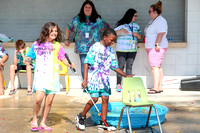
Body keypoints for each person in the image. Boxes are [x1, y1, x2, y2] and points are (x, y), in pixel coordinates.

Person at [76, 28, 134, 131]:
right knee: (94, 99)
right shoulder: (95, 47)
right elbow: (86, 62)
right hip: (94, 79)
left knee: (105, 98)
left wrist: (125, 75)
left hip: (104, 80)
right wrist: (85, 79)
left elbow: (114, 66)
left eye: (114, 40)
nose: (112, 42)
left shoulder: (111, 50)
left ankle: (103, 121)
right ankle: (81, 116)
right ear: (105, 37)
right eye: (111, 40)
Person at [26, 22, 75, 132]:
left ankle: (43, 122)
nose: (54, 33)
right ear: (46, 31)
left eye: (56, 31)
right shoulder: (37, 44)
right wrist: (27, 59)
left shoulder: (57, 45)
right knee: (38, 99)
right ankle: (34, 120)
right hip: (40, 77)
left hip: (53, 77)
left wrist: (69, 64)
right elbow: (30, 55)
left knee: (48, 102)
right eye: (52, 30)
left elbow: (62, 58)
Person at [64, 0, 110, 78]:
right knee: (84, 65)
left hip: (95, 48)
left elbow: (107, 29)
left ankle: (93, 83)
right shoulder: (77, 19)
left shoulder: (97, 20)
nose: (87, 9)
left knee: (94, 65)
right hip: (82, 48)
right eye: (86, 7)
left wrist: (106, 41)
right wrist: (66, 39)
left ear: (92, 9)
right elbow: (68, 28)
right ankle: (86, 84)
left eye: (89, 7)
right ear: (83, 8)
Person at [114, 8, 142, 92]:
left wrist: (137, 34)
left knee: (129, 66)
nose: (136, 17)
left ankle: (129, 84)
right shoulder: (121, 25)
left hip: (132, 49)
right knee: (121, 66)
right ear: (130, 15)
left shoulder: (136, 26)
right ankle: (118, 84)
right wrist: (122, 30)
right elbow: (113, 34)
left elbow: (141, 37)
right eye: (135, 16)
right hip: (121, 50)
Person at [144, 1, 168, 94]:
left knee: (155, 67)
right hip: (152, 47)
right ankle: (159, 87)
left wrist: (157, 44)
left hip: (156, 47)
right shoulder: (153, 21)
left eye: (150, 11)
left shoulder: (161, 20)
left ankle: (156, 87)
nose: (149, 13)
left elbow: (161, 33)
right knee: (158, 67)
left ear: (155, 11)